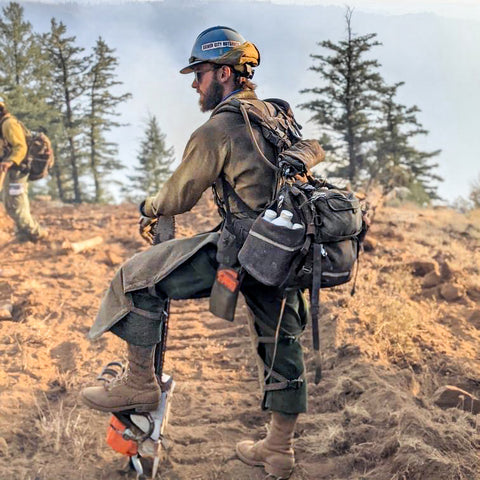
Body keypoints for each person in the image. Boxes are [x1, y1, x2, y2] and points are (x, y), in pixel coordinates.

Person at [81, 26, 316, 480]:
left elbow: (178, 195)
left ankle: (139, 384)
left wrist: (149, 207)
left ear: (224, 73)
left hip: (244, 248)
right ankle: (278, 450)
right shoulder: (274, 114)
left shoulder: (221, 127)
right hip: (285, 248)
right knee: (281, 342)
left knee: (136, 277)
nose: (194, 83)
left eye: (200, 73)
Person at [0, 97, 47, 242]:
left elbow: (21, 147)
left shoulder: (9, 124)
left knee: (16, 205)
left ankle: (37, 233)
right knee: (9, 202)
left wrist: (10, 161)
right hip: (12, 171)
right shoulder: (2, 124)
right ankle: (23, 234)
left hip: (18, 170)